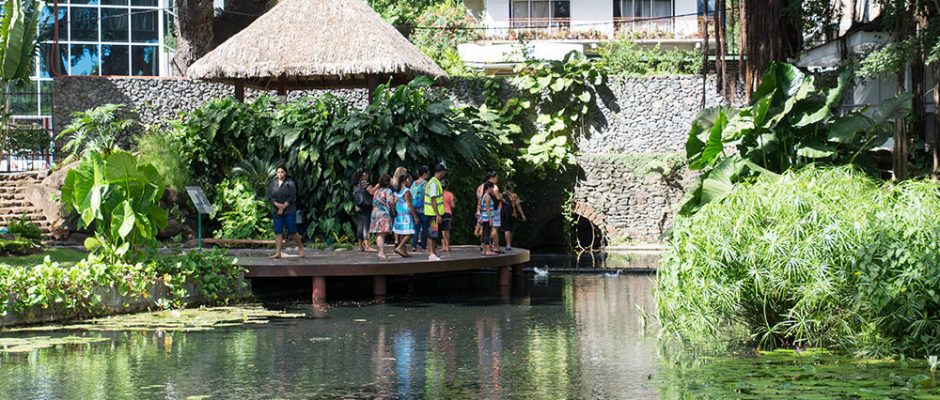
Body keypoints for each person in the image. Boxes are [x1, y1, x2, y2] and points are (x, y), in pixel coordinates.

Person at [268, 166, 305, 259]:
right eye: (278, 172)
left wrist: (283, 207)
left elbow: (292, 197)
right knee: (278, 231)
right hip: (277, 210)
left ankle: (300, 248)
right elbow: (270, 197)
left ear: (285, 173)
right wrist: (278, 205)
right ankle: (278, 253)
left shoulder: (290, 183)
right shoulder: (273, 183)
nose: (280, 174)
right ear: (276, 173)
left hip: (289, 210)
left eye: (282, 172)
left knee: (292, 231)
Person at [423, 163, 447, 261]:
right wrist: (437, 214)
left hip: (434, 213)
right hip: (433, 214)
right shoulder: (433, 183)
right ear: (442, 172)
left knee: (435, 233)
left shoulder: (435, 182)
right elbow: (433, 199)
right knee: (432, 233)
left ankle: (434, 252)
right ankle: (431, 253)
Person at [369, 174, 395, 261]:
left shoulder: (377, 191)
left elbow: (374, 202)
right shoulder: (388, 191)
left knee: (379, 234)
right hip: (383, 214)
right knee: (381, 234)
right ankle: (381, 253)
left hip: (375, 213)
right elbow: (390, 203)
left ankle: (381, 252)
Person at [476, 172, 503, 252]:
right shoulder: (493, 187)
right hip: (492, 211)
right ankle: (496, 247)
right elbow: (498, 198)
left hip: (482, 210)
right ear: (491, 178)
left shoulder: (480, 187)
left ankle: (483, 246)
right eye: (496, 178)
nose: (497, 180)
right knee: (494, 228)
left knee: (484, 229)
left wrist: (479, 210)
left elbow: (479, 199)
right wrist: (501, 197)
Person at [392, 173, 418, 258]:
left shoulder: (397, 191)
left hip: (399, 215)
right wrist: (415, 216)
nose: (411, 182)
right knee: (409, 233)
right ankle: (400, 247)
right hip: (406, 215)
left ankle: (404, 251)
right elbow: (409, 204)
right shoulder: (406, 191)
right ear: (406, 180)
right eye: (410, 180)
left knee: (402, 233)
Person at [352, 168, 377, 252]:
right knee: (366, 225)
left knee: (360, 226)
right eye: (367, 174)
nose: (368, 175)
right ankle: (367, 246)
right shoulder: (364, 183)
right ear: (363, 175)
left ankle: (360, 246)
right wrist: (378, 186)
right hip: (366, 206)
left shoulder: (356, 184)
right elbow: (372, 192)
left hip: (359, 207)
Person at [500, 183, 527, 251]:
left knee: (507, 228)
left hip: (505, 212)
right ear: (511, 188)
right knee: (510, 229)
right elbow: (518, 205)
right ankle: (509, 244)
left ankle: (508, 244)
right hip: (512, 213)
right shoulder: (514, 195)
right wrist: (522, 214)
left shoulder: (502, 194)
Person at [410, 166, 430, 252]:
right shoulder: (426, 183)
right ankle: (424, 246)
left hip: (414, 209)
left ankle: (413, 246)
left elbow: (411, 195)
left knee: (416, 228)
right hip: (424, 209)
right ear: (425, 174)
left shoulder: (414, 183)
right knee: (425, 228)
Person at [479, 181, 497, 256]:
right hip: (487, 218)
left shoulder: (484, 196)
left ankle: (484, 249)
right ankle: (487, 250)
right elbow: (487, 208)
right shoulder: (487, 196)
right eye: (492, 188)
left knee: (484, 232)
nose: (493, 190)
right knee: (487, 233)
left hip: (484, 217)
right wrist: (490, 219)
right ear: (489, 188)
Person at [441, 180, 455, 253]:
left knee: (441, 230)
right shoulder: (450, 194)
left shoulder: (438, 194)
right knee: (447, 230)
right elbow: (453, 205)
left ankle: (443, 246)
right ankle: (447, 246)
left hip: (438, 213)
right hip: (447, 213)